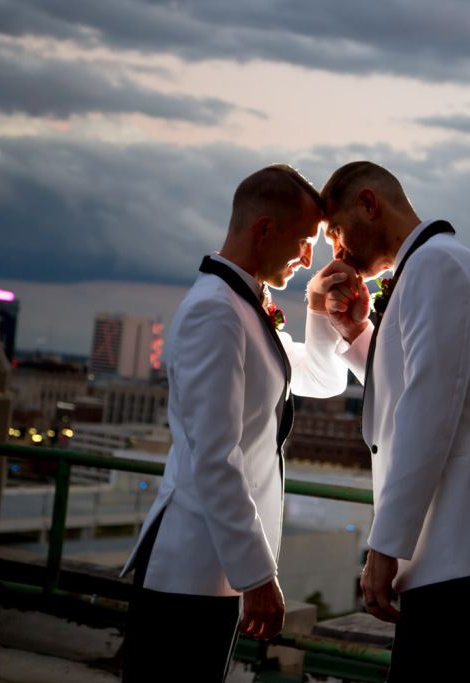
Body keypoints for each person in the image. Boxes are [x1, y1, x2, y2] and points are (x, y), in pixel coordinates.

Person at [120, 164, 353, 682]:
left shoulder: (244, 306)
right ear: (263, 229)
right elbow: (214, 456)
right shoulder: (216, 312)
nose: (306, 257)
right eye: (301, 241)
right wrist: (257, 575)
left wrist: (318, 309)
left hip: (214, 569)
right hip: (191, 569)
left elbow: (321, 378)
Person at [315, 161, 470, 682]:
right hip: (455, 549)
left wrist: (385, 545)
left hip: (465, 549)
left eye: (335, 232)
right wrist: (356, 334)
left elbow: (428, 414)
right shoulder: (430, 266)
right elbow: (418, 383)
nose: (337, 251)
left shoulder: (439, 266)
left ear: (369, 204)